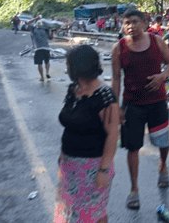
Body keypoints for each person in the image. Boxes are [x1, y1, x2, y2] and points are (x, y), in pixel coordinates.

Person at [111, 9, 169, 210]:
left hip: (157, 102)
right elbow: (116, 79)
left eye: (135, 22)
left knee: (163, 141)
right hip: (132, 105)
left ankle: (163, 166)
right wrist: (117, 108)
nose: (130, 26)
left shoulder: (157, 41)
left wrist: (162, 76)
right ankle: (134, 189)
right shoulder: (119, 48)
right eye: (127, 23)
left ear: (145, 22)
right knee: (132, 147)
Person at [54, 45, 120, 223]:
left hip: (93, 166)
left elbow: (113, 135)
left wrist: (103, 170)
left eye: (69, 65)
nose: (67, 69)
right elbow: (71, 126)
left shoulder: (105, 95)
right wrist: (63, 155)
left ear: (78, 67)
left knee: (93, 212)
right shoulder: (73, 90)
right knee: (70, 212)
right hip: (70, 165)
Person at [26, 15, 52, 82]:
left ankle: (42, 77)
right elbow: (51, 38)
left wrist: (35, 18)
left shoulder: (33, 29)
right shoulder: (46, 29)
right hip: (46, 48)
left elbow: (28, 22)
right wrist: (53, 32)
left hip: (38, 48)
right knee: (47, 62)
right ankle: (47, 73)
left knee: (39, 63)